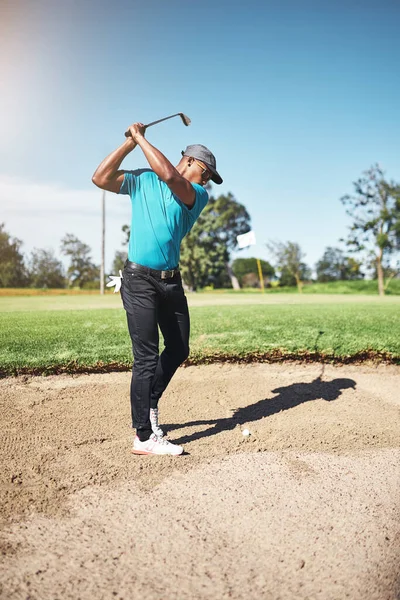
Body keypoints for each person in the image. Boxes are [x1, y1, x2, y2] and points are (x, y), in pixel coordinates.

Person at [92, 123, 222, 456]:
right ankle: (143, 437)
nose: (206, 181)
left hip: (171, 282)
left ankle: (149, 404)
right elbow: (100, 178)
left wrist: (140, 138)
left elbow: (169, 176)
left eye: (207, 178)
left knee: (178, 348)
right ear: (192, 161)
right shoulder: (141, 179)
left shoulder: (195, 194)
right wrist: (128, 145)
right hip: (138, 281)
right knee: (146, 357)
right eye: (205, 173)